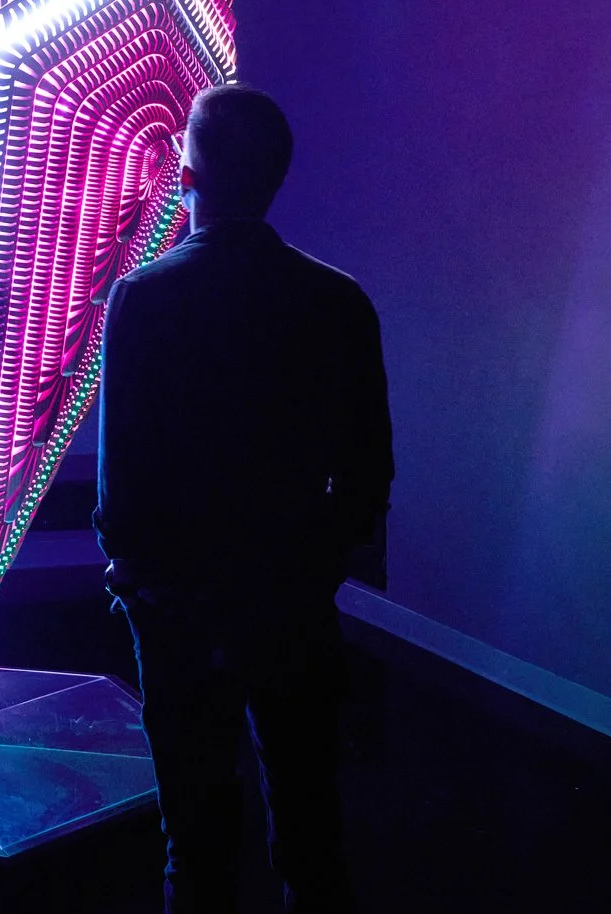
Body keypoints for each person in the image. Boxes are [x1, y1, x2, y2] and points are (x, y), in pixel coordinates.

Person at [96, 84, 394, 914]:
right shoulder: (338, 302)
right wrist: (313, 565)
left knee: (193, 843)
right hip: (292, 604)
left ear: (184, 173)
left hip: (180, 608)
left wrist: (138, 579)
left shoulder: (144, 299)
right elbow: (369, 475)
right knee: (311, 825)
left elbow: (127, 480)